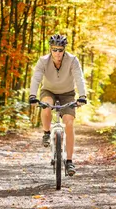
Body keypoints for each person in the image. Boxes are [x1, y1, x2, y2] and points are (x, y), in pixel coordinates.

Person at [28, 34, 87, 176]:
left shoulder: (73, 60)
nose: (57, 53)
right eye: (54, 50)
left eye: (60, 50)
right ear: (50, 49)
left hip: (67, 93)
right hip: (48, 91)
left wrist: (82, 96)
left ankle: (69, 161)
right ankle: (47, 133)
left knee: (69, 123)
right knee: (46, 105)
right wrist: (32, 95)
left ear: (64, 49)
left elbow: (79, 78)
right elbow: (36, 77)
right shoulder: (43, 61)